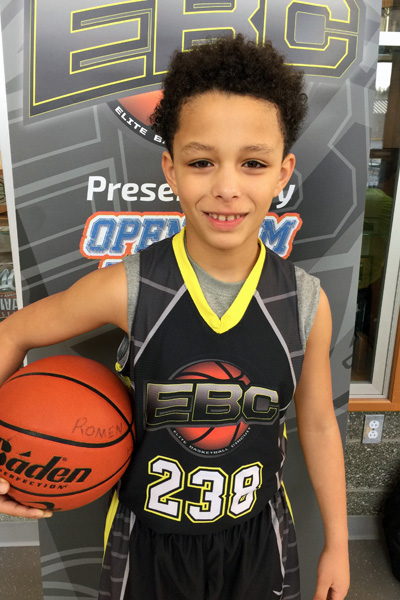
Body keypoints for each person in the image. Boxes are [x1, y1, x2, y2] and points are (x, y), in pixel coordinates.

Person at [0, 35, 349, 600]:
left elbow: (318, 424)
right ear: (170, 168)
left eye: (253, 163)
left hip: (258, 541)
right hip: (147, 541)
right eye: (201, 162)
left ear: (283, 172)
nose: (227, 187)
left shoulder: (305, 300)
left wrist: (338, 541)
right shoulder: (131, 286)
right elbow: (13, 332)